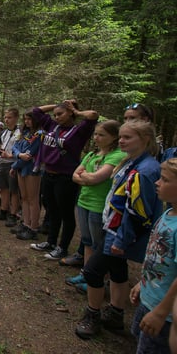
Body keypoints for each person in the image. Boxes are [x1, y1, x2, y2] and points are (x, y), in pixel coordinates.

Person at [75, 120, 162, 340]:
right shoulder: (130, 161)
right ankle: (115, 313)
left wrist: (121, 240)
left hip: (120, 232)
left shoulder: (145, 170)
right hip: (113, 226)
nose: (122, 141)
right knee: (117, 269)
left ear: (145, 139)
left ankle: (93, 315)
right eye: (121, 136)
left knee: (93, 271)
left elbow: (139, 213)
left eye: (128, 137)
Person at [30, 100, 98, 261]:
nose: (57, 117)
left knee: (66, 213)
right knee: (52, 210)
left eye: (60, 114)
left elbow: (93, 115)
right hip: (49, 174)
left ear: (70, 113)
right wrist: (57, 105)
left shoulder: (78, 131)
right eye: (55, 115)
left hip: (65, 177)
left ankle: (63, 248)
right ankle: (51, 242)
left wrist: (76, 111)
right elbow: (36, 111)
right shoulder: (52, 126)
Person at [66, 120, 125, 291]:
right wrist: (88, 178)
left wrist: (87, 177)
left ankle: (99, 278)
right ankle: (87, 273)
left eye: (101, 135)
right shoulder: (92, 154)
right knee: (87, 241)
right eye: (95, 134)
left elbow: (96, 178)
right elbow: (75, 175)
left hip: (99, 205)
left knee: (99, 244)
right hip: (84, 201)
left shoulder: (117, 155)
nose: (96, 138)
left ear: (114, 137)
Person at [129, 158, 177, 353]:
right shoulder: (168, 213)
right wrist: (143, 283)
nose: (157, 183)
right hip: (148, 301)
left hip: (164, 313)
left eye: (165, 180)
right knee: (139, 341)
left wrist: (161, 312)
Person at [11, 111, 43, 240]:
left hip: (32, 169)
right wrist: (19, 155)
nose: (27, 121)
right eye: (25, 119)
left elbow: (29, 154)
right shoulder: (24, 133)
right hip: (21, 167)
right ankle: (26, 223)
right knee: (24, 197)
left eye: (29, 119)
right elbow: (15, 147)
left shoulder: (39, 134)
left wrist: (15, 165)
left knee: (32, 199)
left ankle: (33, 227)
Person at [0, 108, 21, 226]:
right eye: (5, 117)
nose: (7, 120)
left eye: (9, 117)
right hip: (0, 163)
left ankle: (13, 214)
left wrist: (10, 155)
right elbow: (3, 145)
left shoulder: (20, 133)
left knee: (14, 190)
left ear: (16, 118)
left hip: (12, 164)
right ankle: (4, 210)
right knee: (2, 188)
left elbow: (21, 150)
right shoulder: (4, 132)